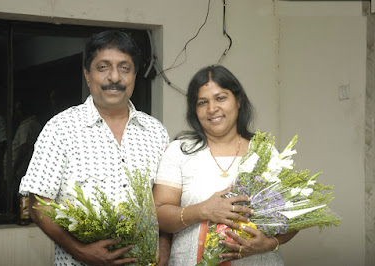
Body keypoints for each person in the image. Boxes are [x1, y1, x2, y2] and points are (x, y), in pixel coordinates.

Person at [19, 30, 170, 265]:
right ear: (87, 75)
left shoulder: (156, 132)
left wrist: (163, 253)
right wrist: (80, 250)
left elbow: (165, 204)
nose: (114, 77)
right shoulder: (61, 129)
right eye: (103, 67)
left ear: (134, 75)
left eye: (124, 67)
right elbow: (39, 204)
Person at [153, 65, 298, 265]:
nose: (212, 109)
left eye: (221, 98)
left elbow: (294, 217)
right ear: (194, 110)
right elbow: (158, 214)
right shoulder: (179, 151)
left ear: (238, 101)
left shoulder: (265, 152)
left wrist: (268, 243)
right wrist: (203, 210)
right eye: (202, 102)